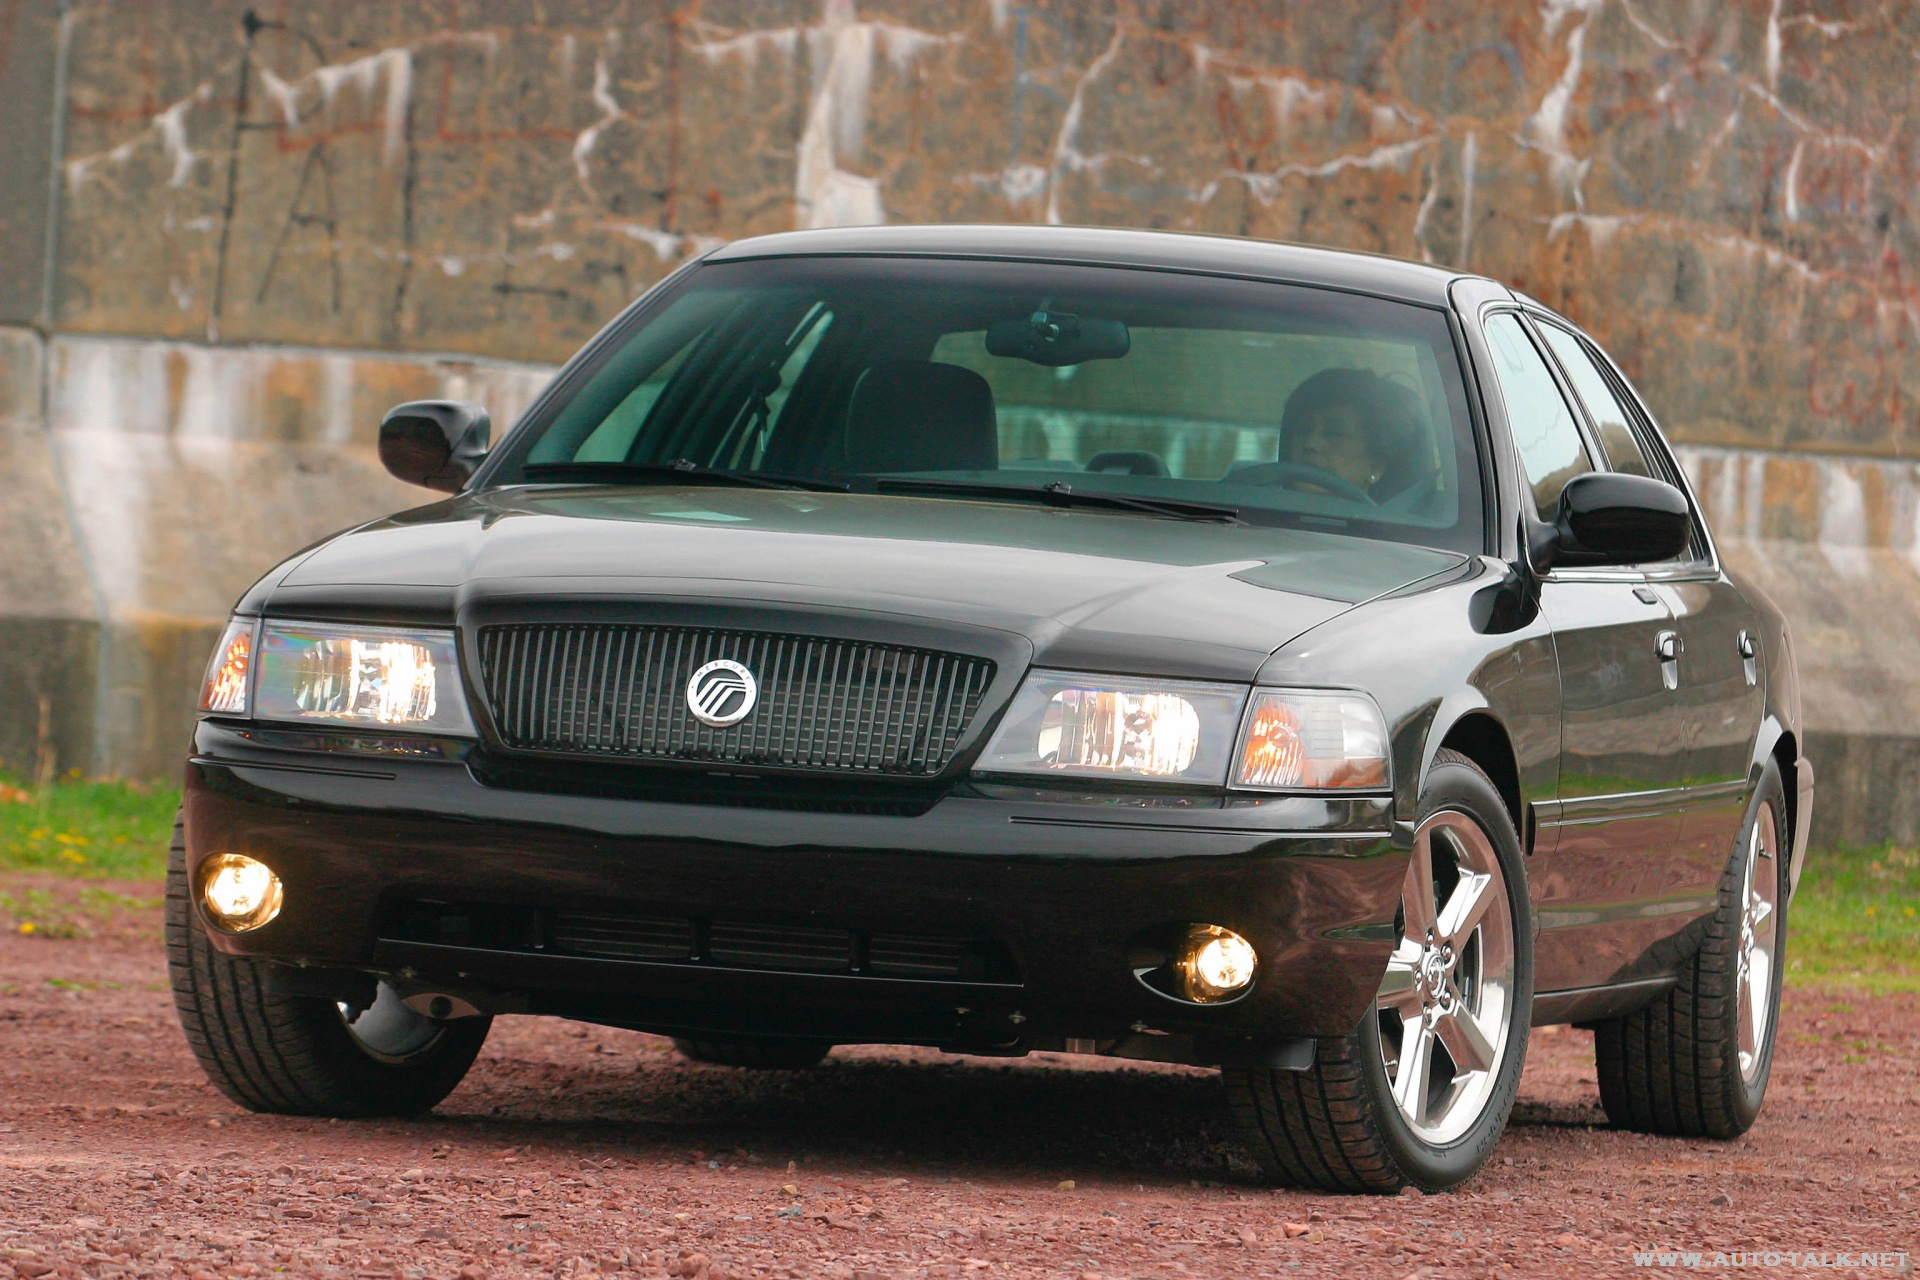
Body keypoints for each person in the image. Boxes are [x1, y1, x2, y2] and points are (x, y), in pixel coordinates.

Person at [1275, 367, 1427, 501]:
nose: (1310, 443)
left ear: (1376, 466)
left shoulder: (1394, 526)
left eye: (1334, 433)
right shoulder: (1261, 512)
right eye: (1304, 430)